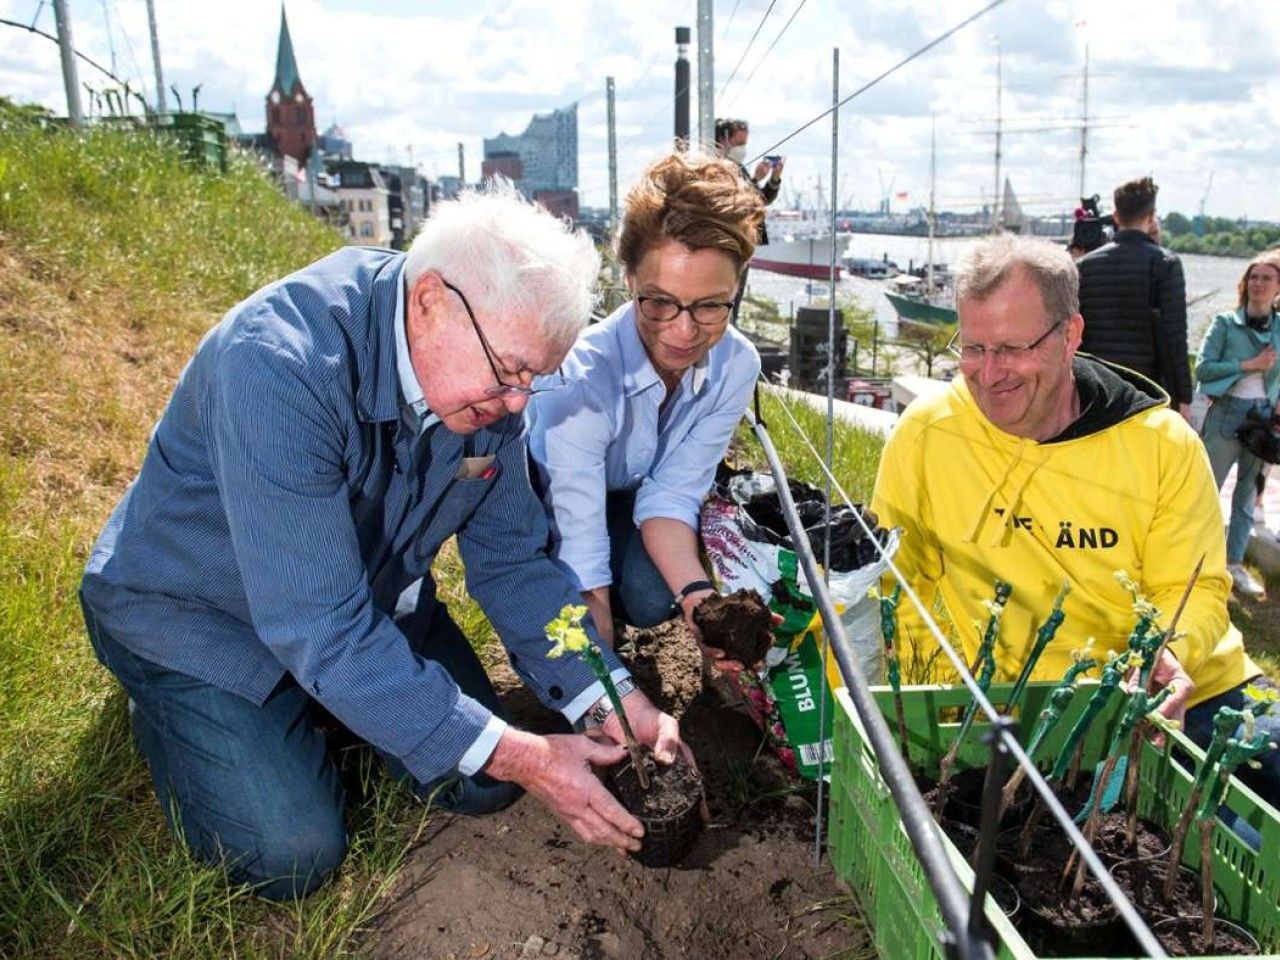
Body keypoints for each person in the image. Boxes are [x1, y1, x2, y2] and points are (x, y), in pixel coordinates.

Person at [78, 182, 689, 901]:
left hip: (364, 594)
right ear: (431, 300)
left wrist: (608, 694)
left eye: (535, 380)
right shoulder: (279, 364)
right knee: (292, 854)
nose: (517, 404)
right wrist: (521, 753)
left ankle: (335, 704)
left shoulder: (487, 383)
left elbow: (514, 560)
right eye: (509, 371)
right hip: (200, 612)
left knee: (480, 785)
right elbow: (319, 623)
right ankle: (181, 709)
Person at [872, 234, 1278, 807]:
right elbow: (888, 580)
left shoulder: (1163, 445)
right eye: (973, 348)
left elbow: (1193, 589)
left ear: (1071, 336)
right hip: (1027, 709)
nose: (990, 375)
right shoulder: (927, 430)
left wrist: (1167, 652)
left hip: (1191, 690)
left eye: (1013, 348)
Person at [528, 151, 764, 672]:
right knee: (564, 609)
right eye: (659, 302)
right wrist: (605, 692)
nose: (684, 332)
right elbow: (579, 535)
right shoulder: (580, 379)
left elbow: (674, 492)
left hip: (623, 497)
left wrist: (702, 606)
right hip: (547, 506)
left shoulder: (736, 365)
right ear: (630, 280)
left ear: (737, 287)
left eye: (710, 305)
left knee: (652, 592)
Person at [1194, 254, 1280, 600]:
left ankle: (1233, 565)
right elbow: (1203, 369)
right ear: (1245, 284)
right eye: (1254, 277)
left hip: (1262, 418)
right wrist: (1248, 364)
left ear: (1277, 288)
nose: (1259, 283)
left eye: (1267, 278)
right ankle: (1197, 564)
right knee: (1205, 493)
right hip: (1226, 414)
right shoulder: (1225, 324)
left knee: (1247, 496)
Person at [1077, 176, 1192, 418]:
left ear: (1116, 217)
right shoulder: (1165, 264)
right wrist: (1183, 397)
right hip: (1147, 388)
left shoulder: (1085, 265)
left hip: (1096, 386)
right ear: (1152, 217)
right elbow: (1175, 336)